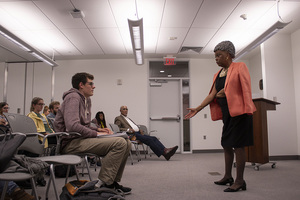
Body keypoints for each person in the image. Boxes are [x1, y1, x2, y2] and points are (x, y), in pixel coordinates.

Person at [185, 41, 256, 192]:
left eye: (219, 55)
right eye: (215, 56)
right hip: (227, 115)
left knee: (238, 146)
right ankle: (228, 176)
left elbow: (246, 89)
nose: (216, 58)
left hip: (240, 113)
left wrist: (227, 92)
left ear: (229, 55)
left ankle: (240, 180)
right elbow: (212, 95)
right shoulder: (218, 74)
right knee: (226, 144)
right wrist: (197, 109)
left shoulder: (240, 67)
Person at [54, 72, 132, 194]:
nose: (93, 86)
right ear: (81, 85)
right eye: (91, 84)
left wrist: (97, 129)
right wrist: (95, 134)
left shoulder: (86, 100)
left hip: (80, 139)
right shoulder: (73, 98)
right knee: (120, 143)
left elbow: (83, 124)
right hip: (70, 143)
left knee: (127, 143)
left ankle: (112, 182)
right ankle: (104, 183)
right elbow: (72, 126)